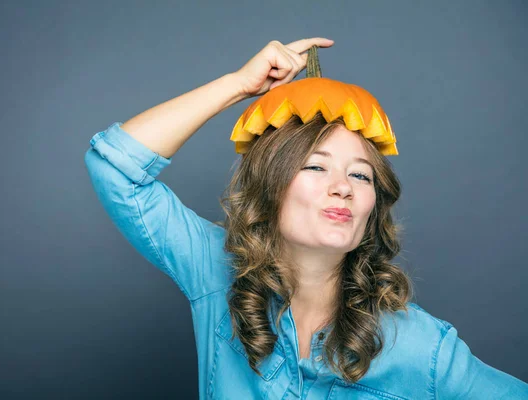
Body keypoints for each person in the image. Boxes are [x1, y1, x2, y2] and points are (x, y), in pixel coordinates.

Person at [84, 38, 528, 399]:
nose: (344, 186)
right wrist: (239, 86)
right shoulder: (214, 272)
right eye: (316, 167)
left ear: (373, 208)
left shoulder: (424, 346)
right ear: (269, 187)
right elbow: (116, 168)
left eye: (361, 174)